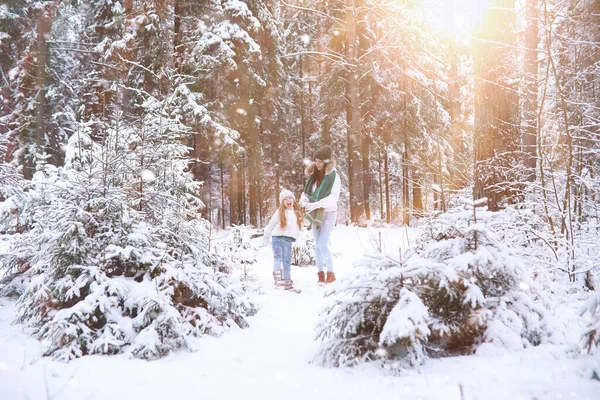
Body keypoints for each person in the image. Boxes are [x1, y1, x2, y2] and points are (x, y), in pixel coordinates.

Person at [299, 145, 341, 284]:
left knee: (321, 244)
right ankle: (321, 275)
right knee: (317, 244)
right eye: (316, 160)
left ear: (327, 162)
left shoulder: (334, 176)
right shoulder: (313, 176)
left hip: (328, 213)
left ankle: (331, 274)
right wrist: (304, 200)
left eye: (320, 161)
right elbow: (307, 194)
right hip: (315, 213)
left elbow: (333, 198)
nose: (317, 164)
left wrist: (314, 204)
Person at [263, 189, 304, 290]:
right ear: (282, 202)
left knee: (287, 261)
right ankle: (277, 278)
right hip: (277, 237)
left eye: (290, 198)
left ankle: (287, 281)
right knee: (278, 258)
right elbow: (271, 224)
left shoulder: (297, 213)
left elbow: (304, 224)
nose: (288, 200)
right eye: (285, 199)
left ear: (293, 200)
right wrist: (266, 237)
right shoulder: (279, 212)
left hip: (288, 240)